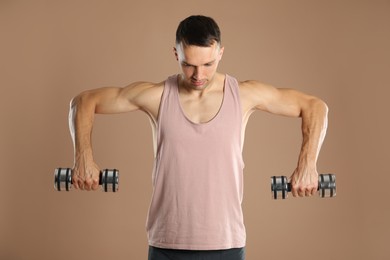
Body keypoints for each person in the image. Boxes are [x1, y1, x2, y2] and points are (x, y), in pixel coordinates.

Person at [69, 15, 328, 260]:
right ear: (176, 54)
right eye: (189, 64)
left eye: (208, 64)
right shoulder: (157, 95)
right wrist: (84, 157)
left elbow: (315, 107)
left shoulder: (245, 95)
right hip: (166, 245)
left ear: (220, 53)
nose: (198, 75)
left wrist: (308, 163)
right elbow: (83, 102)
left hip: (227, 245)